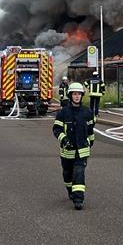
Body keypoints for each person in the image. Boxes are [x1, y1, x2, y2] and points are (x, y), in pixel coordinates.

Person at [52, 82, 95, 210]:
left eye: (79, 94)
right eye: (74, 94)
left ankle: (78, 199)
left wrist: (90, 142)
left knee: (79, 172)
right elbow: (56, 129)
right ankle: (70, 190)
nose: (77, 97)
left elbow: (90, 130)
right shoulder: (63, 113)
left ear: (82, 96)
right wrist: (64, 139)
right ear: (70, 95)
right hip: (67, 151)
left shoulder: (87, 112)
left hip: (82, 150)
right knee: (67, 174)